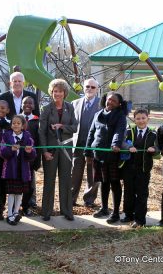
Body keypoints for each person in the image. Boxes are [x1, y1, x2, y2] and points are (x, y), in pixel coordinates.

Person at [85, 92, 127, 224]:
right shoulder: (98, 114)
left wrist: (115, 144)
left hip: (112, 155)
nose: (111, 102)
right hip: (99, 154)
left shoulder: (120, 116)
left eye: (114, 101)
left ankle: (115, 213)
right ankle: (104, 208)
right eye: (109, 100)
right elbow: (91, 133)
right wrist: (88, 151)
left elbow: (119, 131)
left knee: (114, 183)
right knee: (103, 182)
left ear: (119, 104)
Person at [40, 79, 78, 221]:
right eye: (55, 91)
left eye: (60, 91)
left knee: (66, 180)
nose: (58, 93)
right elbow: (41, 132)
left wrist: (61, 126)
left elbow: (74, 127)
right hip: (50, 150)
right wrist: (44, 151)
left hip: (66, 149)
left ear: (65, 93)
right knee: (49, 180)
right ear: (51, 92)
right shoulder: (46, 108)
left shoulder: (70, 107)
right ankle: (46, 212)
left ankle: (67, 211)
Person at [121, 108, 159, 227]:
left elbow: (159, 147)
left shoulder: (153, 134)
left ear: (148, 119)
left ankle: (140, 219)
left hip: (143, 169)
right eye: (138, 118)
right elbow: (122, 142)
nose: (141, 121)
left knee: (142, 194)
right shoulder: (129, 131)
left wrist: (154, 149)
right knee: (128, 192)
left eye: (143, 118)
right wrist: (128, 147)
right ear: (134, 119)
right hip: (129, 168)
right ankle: (128, 215)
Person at [0, 115, 36, 225]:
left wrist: (29, 152)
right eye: (13, 123)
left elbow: (33, 154)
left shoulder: (28, 137)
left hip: (22, 169)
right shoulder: (6, 136)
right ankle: (9, 213)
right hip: (11, 169)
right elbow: (2, 152)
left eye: (18, 123)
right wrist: (10, 149)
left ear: (23, 125)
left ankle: (16, 212)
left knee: (19, 193)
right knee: (11, 192)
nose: (15, 125)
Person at [71, 78, 101, 207]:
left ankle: (89, 200)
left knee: (93, 173)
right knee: (75, 173)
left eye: (93, 87)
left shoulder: (102, 104)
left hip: (94, 146)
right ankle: (71, 199)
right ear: (83, 88)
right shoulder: (74, 103)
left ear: (97, 90)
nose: (89, 89)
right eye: (87, 86)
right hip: (78, 144)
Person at [20, 96, 41, 215]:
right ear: (21, 105)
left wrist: (37, 158)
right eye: (25, 103)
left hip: (31, 157)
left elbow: (39, 141)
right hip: (18, 157)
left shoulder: (37, 121)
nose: (27, 105)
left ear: (34, 106)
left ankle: (30, 200)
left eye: (30, 103)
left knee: (30, 180)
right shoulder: (17, 119)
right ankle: (18, 202)